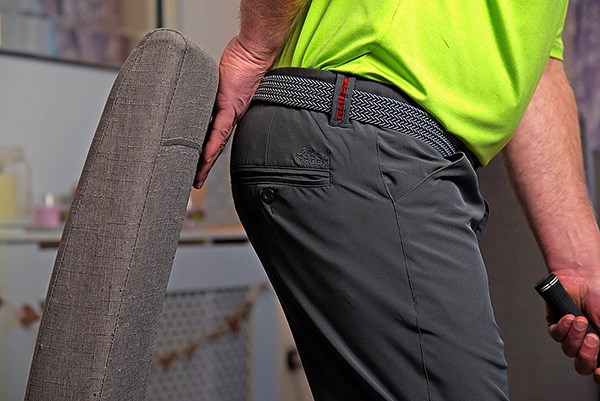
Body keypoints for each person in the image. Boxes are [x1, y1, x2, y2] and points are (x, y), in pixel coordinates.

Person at [195, 0, 600, 399]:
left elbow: (535, 64)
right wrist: (252, 48)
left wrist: (581, 267)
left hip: (373, 142)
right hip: (363, 127)